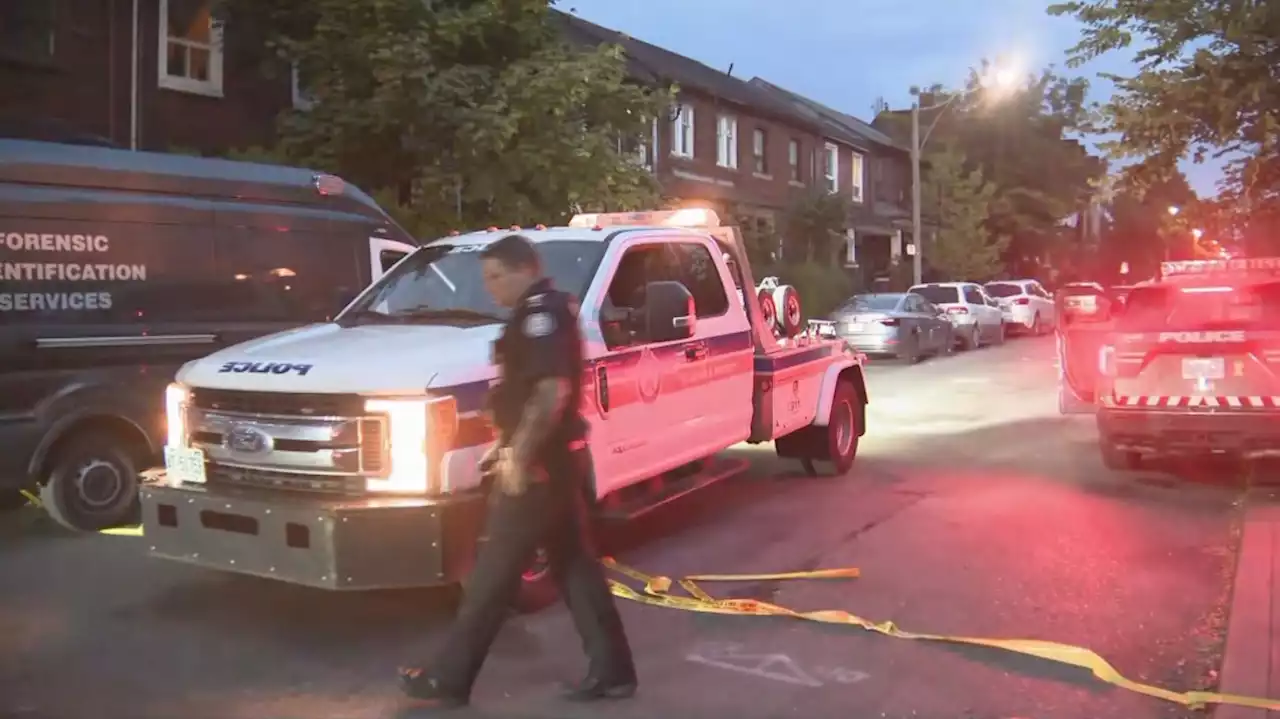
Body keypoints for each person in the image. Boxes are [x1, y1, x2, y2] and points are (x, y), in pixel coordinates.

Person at [398, 233, 636, 712]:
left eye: (495, 276)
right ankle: (613, 672)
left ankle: (449, 678)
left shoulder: (540, 315)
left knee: (490, 577)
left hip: (538, 470)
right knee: (575, 570)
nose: (489, 288)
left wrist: (519, 457)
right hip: (553, 463)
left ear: (524, 268)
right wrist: (503, 446)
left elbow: (551, 392)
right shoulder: (538, 312)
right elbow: (526, 393)